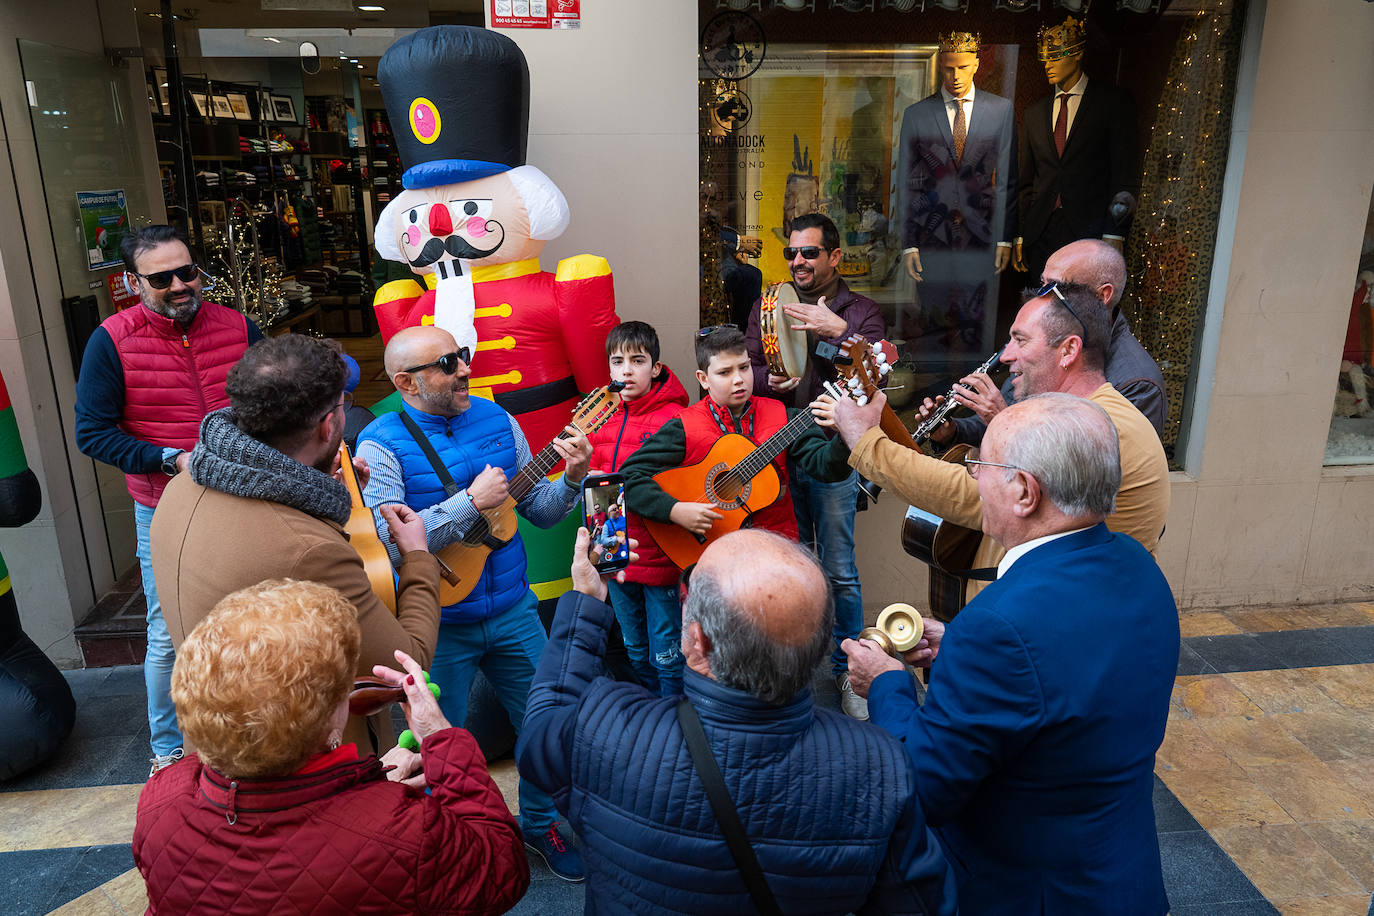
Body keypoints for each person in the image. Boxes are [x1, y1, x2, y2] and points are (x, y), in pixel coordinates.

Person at [843, 394, 1178, 914]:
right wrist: (958, 649)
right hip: (1122, 876)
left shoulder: (998, 626)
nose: (972, 476)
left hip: (1032, 892)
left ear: (1024, 492)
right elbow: (1078, 668)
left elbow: (925, 786)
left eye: (980, 465)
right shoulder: (1138, 565)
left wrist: (887, 682)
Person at [516, 528, 956, 915]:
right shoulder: (880, 768)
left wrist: (585, 605)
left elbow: (541, 731)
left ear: (696, 639)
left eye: (690, 591)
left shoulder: (606, 731)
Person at [134, 578, 529, 914]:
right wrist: (442, 740)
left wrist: (368, 791)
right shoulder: (407, 834)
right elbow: (502, 868)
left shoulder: (160, 802)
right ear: (326, 727)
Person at [356, 325, 590, 882]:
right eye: (448, 363)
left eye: (463, 355)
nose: (465, 369)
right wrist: (469, 502)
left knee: (544, 725)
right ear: (405, 382)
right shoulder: (380, 444)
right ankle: (448, 839)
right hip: (436, 626)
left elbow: (541, 509)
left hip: (513, 610)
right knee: (434, 742)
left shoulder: (499, 420)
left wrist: (574, 478)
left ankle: (539, 823)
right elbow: (394, 540)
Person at [151, 334, 440, 754]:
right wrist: (417, 556)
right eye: (344, 405)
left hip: (216, 755)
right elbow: (405, 663)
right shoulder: (309, 552)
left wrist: (324, 496)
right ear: (328, 426)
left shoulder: (181, 487)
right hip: (302, 770)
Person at [819, 281, 1169, 606]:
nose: (1005, 356)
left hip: (1062, 621)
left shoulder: (1095, 427)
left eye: (1021, 340)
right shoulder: (1075, 413)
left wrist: (866, 442)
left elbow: (976, 496)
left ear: (1068, 350)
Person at [75, 224, 262, 776]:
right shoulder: (112, 339)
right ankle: (169, 750)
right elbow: (93, 434)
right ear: (135, 282)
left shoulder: (238, 326)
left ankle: (256, 731)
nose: (180, 285)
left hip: (246, 497)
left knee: (254, 615)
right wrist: (170, 459)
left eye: (188, 272)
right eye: (162, 278)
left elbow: (278, 404)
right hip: (166, 506)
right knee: (169, 629)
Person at [744, 213, 884, 719]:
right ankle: (797, 670)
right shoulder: (770, 304)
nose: (798, 261)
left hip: (832, 453)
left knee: (840, 568)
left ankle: (853, 674)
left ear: (834, 257)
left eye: (808, 252)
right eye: (792, 253)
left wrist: (836, 333)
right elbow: (747, 366)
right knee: (792, 562)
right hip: (777, 452)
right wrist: (767, 381)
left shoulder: (861, 312)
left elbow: (872, 370)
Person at [622, 326, 851, 561]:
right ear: (704, 379)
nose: (739, 379)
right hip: (714, 556)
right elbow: (628, 476)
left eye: (744, 367)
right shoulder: (684, 426)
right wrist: (673, 510)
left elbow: (827, 468)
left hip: (776, 552)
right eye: (725, 372)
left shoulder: (784, 417)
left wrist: (846, 434)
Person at [939, 239, 1167, 445]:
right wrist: (954, 430)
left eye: (1055, 287)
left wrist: (1001, 419)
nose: (1041, 297)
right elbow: (1000, 414)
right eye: (1042, 284)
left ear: (1102, 295)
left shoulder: (1138, 384)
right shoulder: (1046, 340)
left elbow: (1082, 476)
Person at [895, 31, 1016, 357]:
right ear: (940, 68)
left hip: (981, 236)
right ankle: (934, 395)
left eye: (962, 67)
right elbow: (906, 181)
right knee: (934, 320)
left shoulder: (1000, 111)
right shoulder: (917, 114)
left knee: (976, 322)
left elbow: (1007, 179)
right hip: (932, 233)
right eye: (948, 68)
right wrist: (908, 243)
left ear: (976, 64)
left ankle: (973, 394)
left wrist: (1005, 238)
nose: (955, 76)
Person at [587, 320, 689, 696]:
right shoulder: (599, 416)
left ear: (656, 368)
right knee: (634, 647)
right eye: (617, 362)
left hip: (658, 550)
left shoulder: (674, 419)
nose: (626, 370)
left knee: (667, 651)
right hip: (613, 550)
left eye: (637, 360)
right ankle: (652, 717)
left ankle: (677, 716)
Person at [1012, 16, 1138, 281]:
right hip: (1041, 234)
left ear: (1078, 53)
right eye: (1045, 57)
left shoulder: (1112, 104)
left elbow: (1123, 176)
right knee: (1042, 312)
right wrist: (1022, 233)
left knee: (1080, 311)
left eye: (1056, 56)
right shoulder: (1035, 113)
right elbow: (1026, 182)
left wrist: (1115, 233)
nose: (1047, 64)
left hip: (1089, 232)